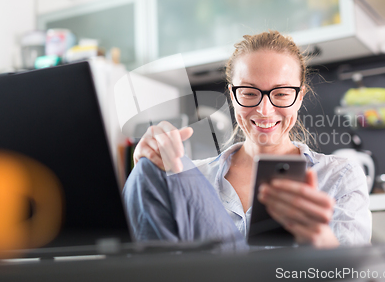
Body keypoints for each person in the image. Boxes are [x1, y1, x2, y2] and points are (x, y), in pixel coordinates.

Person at [123, 30, 371, 249]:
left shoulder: (339, 176)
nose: (264, 110)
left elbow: (356, 275)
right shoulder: (197, 178)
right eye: (250, 93)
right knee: (147, 170)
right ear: (232, 95)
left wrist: (322, 242)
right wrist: (144, 170)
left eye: (282, 93)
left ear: (299, 97)